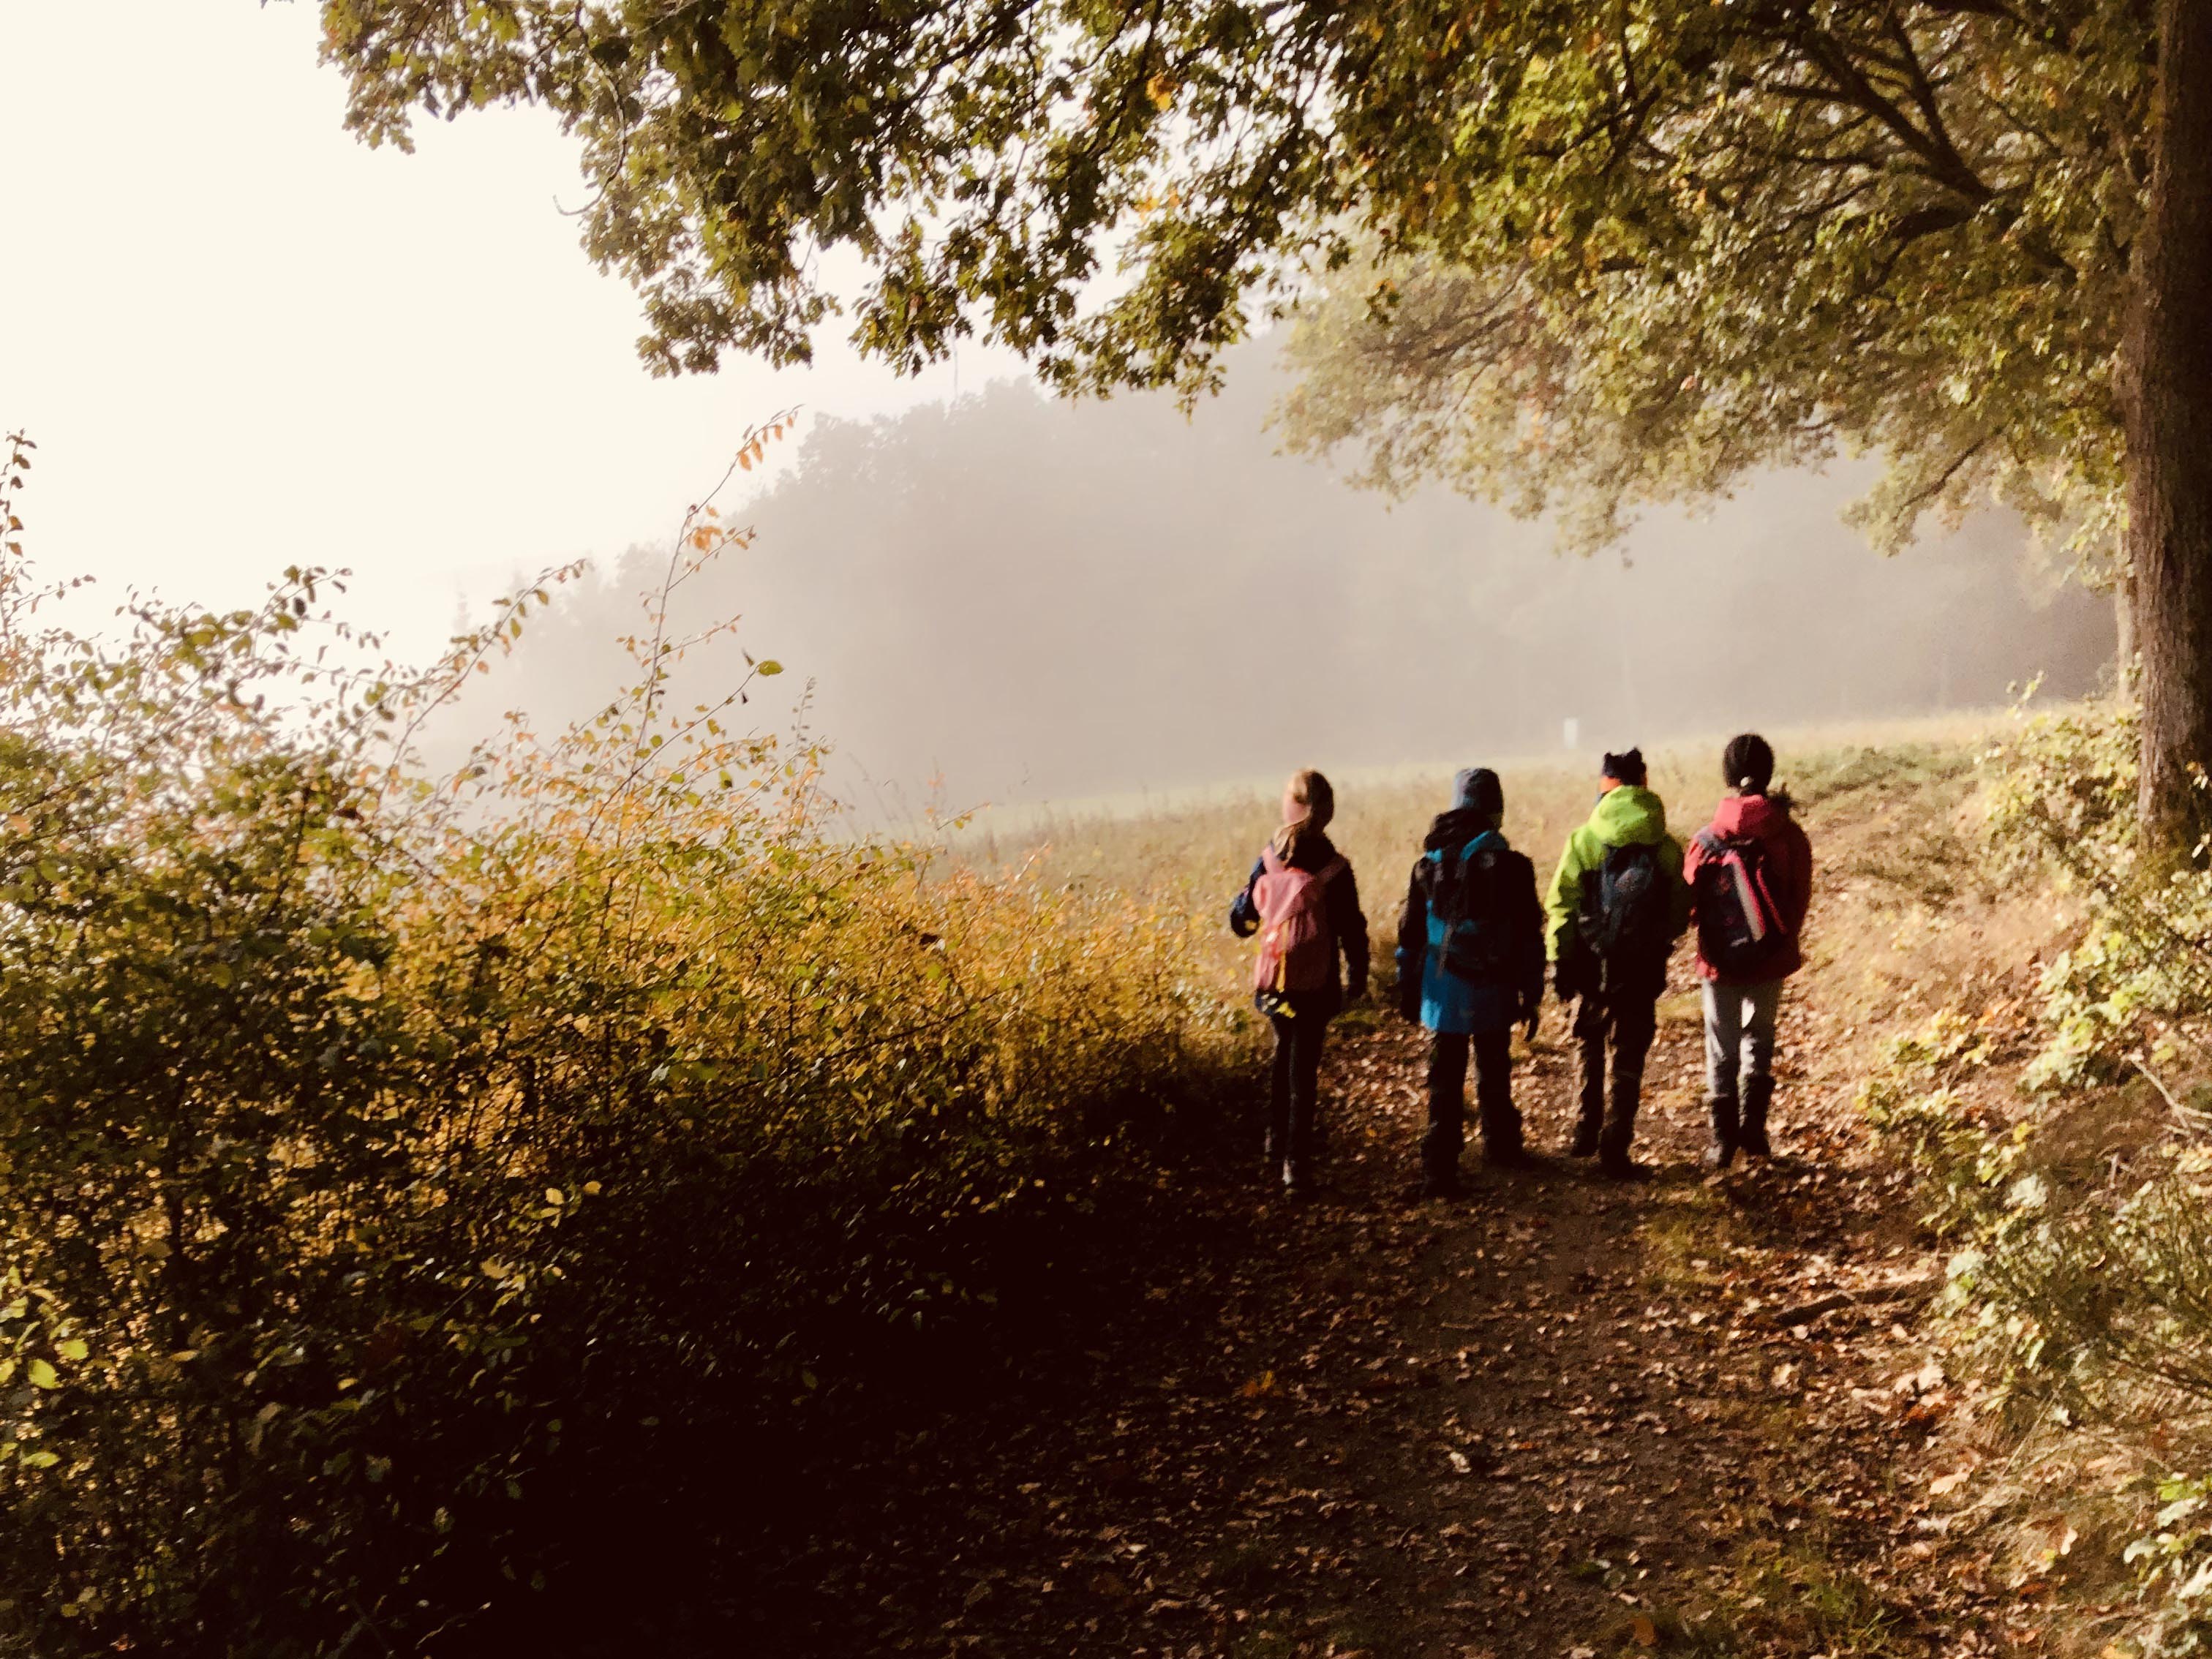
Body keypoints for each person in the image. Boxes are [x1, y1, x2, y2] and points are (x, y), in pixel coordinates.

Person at [1394, 767, 1546, 1197]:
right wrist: (1531, 994)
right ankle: (1500, 1144)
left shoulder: (1428, 865)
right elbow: (1527, 937)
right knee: (1494, 1066)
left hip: (1442, 991)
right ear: (1496, 809)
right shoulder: (1514, 867)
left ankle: (1439, 1168)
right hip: (1494, 987)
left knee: (1444, 1078)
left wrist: (1408, 986)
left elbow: (1411, 933)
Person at [1545, 748, 1689, 1178]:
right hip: (1641, 969)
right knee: (1628, 1053)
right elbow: (1680, 909)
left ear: (1605, 786)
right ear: (1644, 784)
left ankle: (1583, 1131)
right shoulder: (1664, 845)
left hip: (1592, 964)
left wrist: (1561, 959)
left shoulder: (1584, 840)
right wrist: (1659, 940)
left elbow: (1562, 905)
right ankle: (1615, 1146)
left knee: (1588, 1042)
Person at [1230, 769, 1369, 1197]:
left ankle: (1275, 1140)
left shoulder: (1270, 858)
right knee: (1303, 1067)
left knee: (1282, 1051)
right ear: (1327, 813)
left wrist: (1262, 915)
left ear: (1288, 806)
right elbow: (1352, 928)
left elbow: (1241, 920)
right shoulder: (1335, 868)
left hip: (1274, 984)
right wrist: (1358, 977)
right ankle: (1296, 1163)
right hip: (1317, 984)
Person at [1683, 733, 1815, 1167]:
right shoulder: (1790, 836)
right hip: (1771, 957)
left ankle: (1722, 1142)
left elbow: (1690, 904)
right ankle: (1754, 1132)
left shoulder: (1705, 840)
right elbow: (1799, 900)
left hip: (1719, 961)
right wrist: (1776, 940)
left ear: (1727, 775)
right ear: (1769, 773)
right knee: (1760, 1037)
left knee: (1721, 1045)